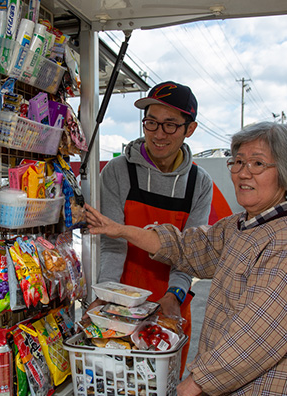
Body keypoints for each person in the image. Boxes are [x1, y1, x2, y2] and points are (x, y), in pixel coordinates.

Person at [85, 121, 287, 396]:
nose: (243, 173)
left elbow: (258, 334)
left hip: (271, 389)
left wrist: (195, 383)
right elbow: (186, 247)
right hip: (233, 385)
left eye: (257, 164)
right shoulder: (242, 227)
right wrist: (120, 230)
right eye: (238, 162)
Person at [86, 81, 214, 373]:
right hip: (121, 299)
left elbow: (191, 252)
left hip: (171, 300)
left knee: (163, 382)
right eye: (151, 123)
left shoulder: (199, 182)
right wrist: (107, 296)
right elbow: (112, 243)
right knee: (117, 379)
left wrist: (175, 296)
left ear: (189, 129)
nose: (158, 134)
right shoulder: (118, 171)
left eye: (170, 125)